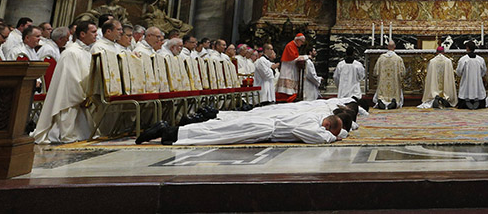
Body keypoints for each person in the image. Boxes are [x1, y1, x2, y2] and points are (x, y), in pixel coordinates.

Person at [137, 103, 346, 145]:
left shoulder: (317, 117)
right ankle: (167, 132)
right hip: (261, 127)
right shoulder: (312, 123)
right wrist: (332, 138)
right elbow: (308, 135)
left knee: (216, 131)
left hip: (262, 125)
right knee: (215, 133)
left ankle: (169, 131)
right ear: (326, 126)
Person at [33, 21, 97, 144]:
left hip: (84, 96)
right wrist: (83, 96)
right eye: (93, 32)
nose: (96, 35)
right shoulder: (71, 52)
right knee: (69, 133)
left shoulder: (85, 52)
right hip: (71, 99)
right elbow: (70, 82)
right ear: (82, 34)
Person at [372, 40, 405, 109]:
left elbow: (375, 72)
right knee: (395, 97)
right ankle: (393, 102)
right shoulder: (398, 59)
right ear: (394, 47)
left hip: (383, 86)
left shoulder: (381, 58)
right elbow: (403, 73)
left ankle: (382, 102)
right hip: (394, 86)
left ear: (387, 47)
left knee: (382, 96)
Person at [455, 41, 487, 109]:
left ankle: (466, 102)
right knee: (478, 89)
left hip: (466, 81)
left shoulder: (463, 59)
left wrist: (461, 75)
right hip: (477, 81)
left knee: (465, 91)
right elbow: (484, 71)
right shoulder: (480, 59)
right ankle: (477, 101)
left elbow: (459, 71)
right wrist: (479, 76)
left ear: (467, 48)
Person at [276, 32, 307, 101]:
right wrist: (305, 57)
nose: (302, 44)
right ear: (298, 40)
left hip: (290, 68)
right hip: (287, 68)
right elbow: (294, 58)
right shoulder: (290, 45)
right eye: (302, 42)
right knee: (286, 88)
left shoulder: (294, 46)